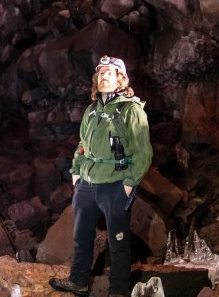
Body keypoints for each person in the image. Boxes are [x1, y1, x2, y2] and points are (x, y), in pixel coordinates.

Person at [49, 55, 152, 297]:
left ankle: (118, 290)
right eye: (101, 73)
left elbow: (143, 153)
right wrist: (77, 173)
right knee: (81, 235)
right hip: (88, 183)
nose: (104, 76)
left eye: (110, 73)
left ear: (120, 79)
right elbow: (82, 145)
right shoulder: (92, 111)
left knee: (118, 241)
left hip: (115, 183)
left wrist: (128, 184)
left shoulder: (131, 109)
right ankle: (79, 281)